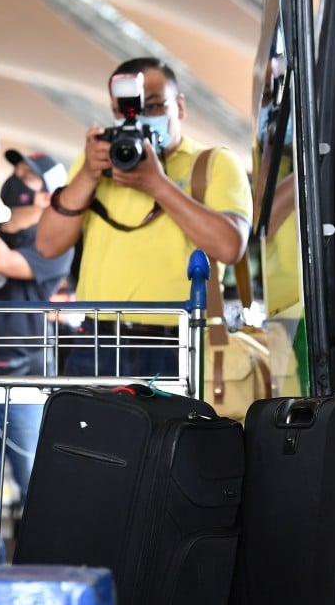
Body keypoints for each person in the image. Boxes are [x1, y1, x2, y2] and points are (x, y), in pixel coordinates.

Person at [35, 57, 252, 377]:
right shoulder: (98, 162)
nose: (139, 117)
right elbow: (47, 245)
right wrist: (88, 175)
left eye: (153, 106)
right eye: (126, 109)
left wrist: (158, 184)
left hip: (182, 341)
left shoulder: (213, 162)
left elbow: (230, 246)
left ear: (180, 106)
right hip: (99, 339)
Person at [0, 149, 73, 562]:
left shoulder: (54, 246)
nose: (16, 181)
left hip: (27, 382)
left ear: (50, 195)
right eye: (14, 172)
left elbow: (3, 262)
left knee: (35, 483)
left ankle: (41, 569)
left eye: (28, 178)